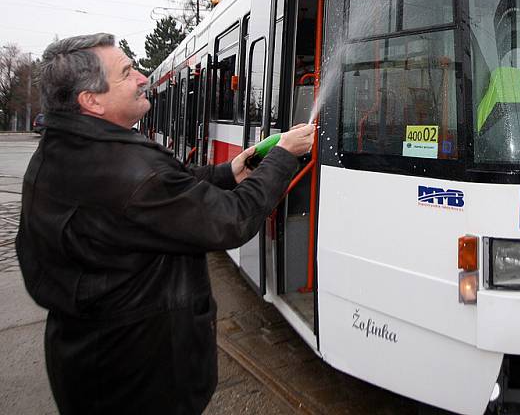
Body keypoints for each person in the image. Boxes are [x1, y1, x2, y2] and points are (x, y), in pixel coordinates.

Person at [15, 33, 315, 415]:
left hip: (89, 362)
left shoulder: (63, 153)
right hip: (141, 378)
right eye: (126, 73)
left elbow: (155, 200)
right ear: (91, 100)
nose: (142, 77)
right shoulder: (129, 172)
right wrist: (284, 156)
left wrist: (227, 172)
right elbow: (232, 220)